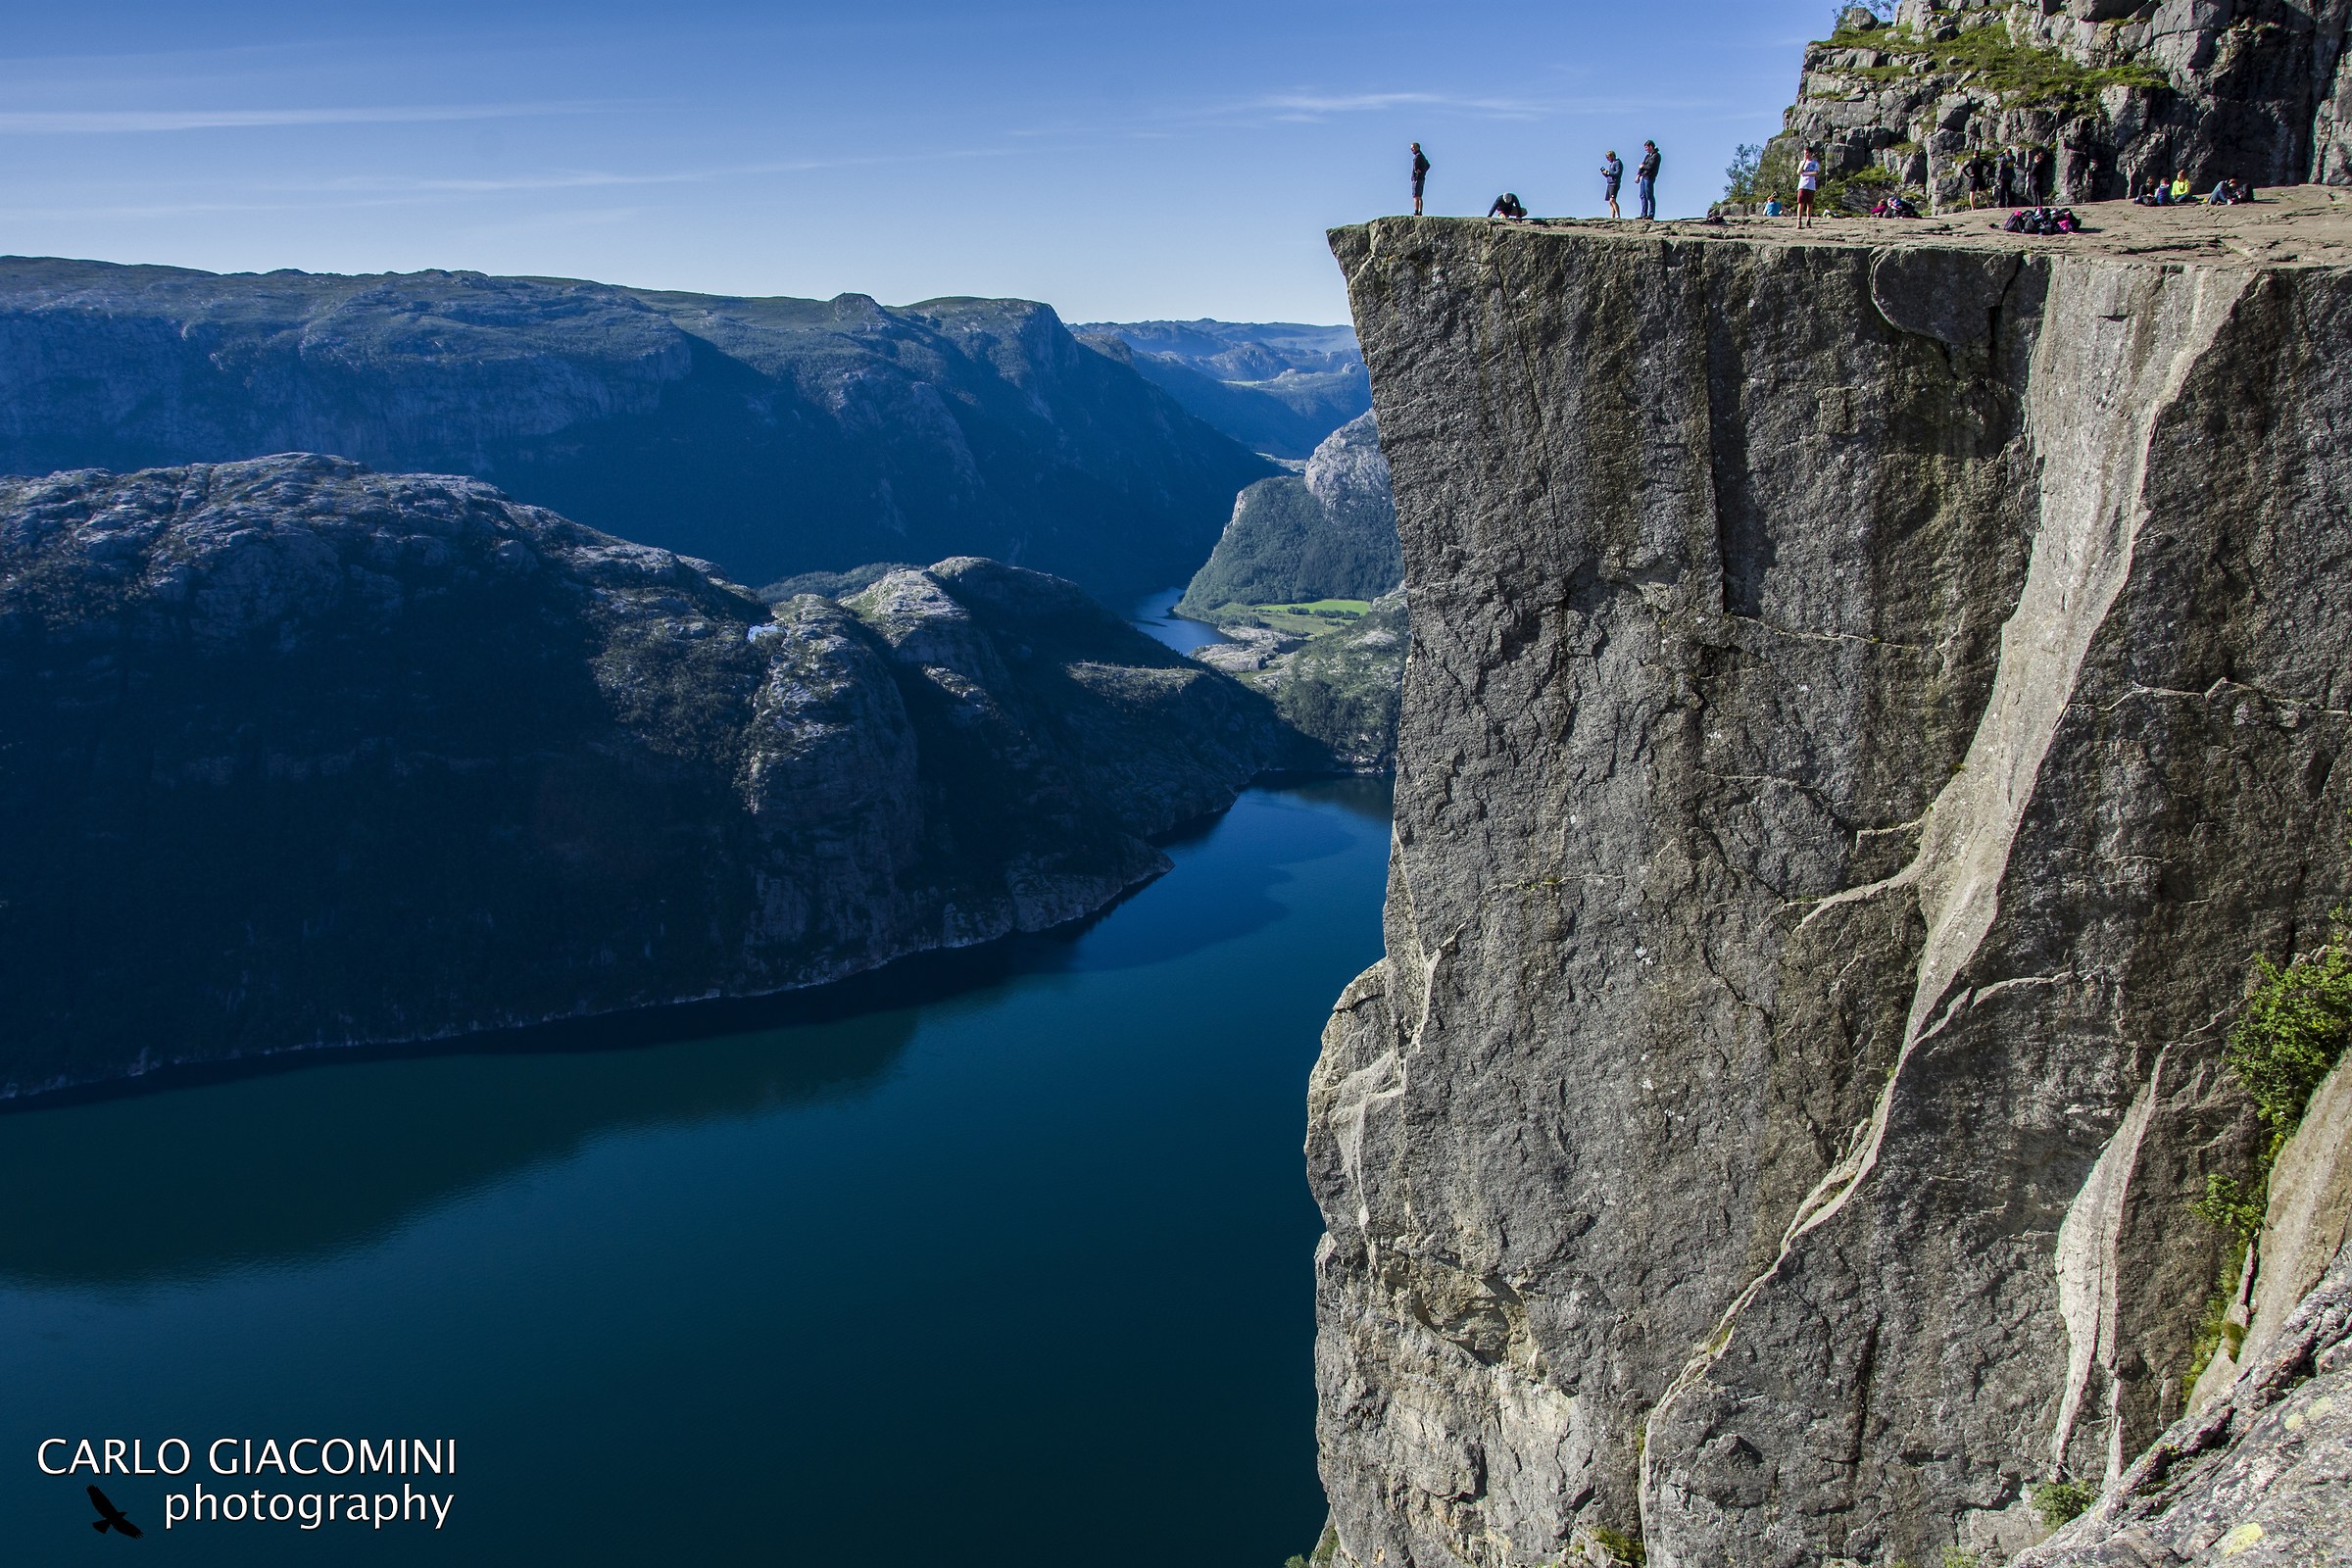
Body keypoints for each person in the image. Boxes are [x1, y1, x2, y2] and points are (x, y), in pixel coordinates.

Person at [1795, 145, 1821, 228]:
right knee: (1800, 203)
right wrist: (1803, 163)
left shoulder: (1815, 163)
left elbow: (1815, 173)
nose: (1805, 155)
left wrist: (1805, 173)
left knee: (1810, 204)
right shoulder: (1802, 162)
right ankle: (1799, 221)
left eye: (1806, 153)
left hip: (1811, 186)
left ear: (1810, 153)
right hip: (1802, 185)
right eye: (1804, 153)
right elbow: (1799, 172)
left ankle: (1808, 220)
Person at [1636, 140, 1661, 220]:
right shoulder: (1647, 156)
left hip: (1649, 177)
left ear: (1651, 146)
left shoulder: (1656, 156)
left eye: (1646, 147)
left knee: (1649, 195)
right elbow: (1641, 166)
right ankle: (1643, 214)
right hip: (1644, 177)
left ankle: (1651, 214)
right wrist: (1638, 175)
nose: (1646, 149)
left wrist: (1643, 166)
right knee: (1642, 195)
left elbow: (1650, 167)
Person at [1601, 149, 1624, 219]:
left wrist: (1608, 173)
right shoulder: (1611, 164)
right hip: (1610, 183)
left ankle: (1618, 215)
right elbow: (1611, 174)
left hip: (1614, 183)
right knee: (1610, 202)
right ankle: (1612, 216)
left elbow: (1618, 173)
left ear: (1612, 156)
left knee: (1612, 200)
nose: (1608, 159)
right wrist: (1606, 174)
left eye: (1608, 157)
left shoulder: (1618, 163)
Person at [1410, 143, 1431, 216]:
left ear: (1417, 147)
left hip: (1417, 178)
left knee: (1416, 196)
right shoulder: (1422, 156)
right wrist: (1423, 171)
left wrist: (1418, 171)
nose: (1412, 149)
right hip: (1422, 177)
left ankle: (1416, 212)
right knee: (1419, 196)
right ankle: (1420, 211)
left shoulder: (1417, 156)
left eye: (1413, 148)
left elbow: (1417, 167)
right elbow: (1428, 165)